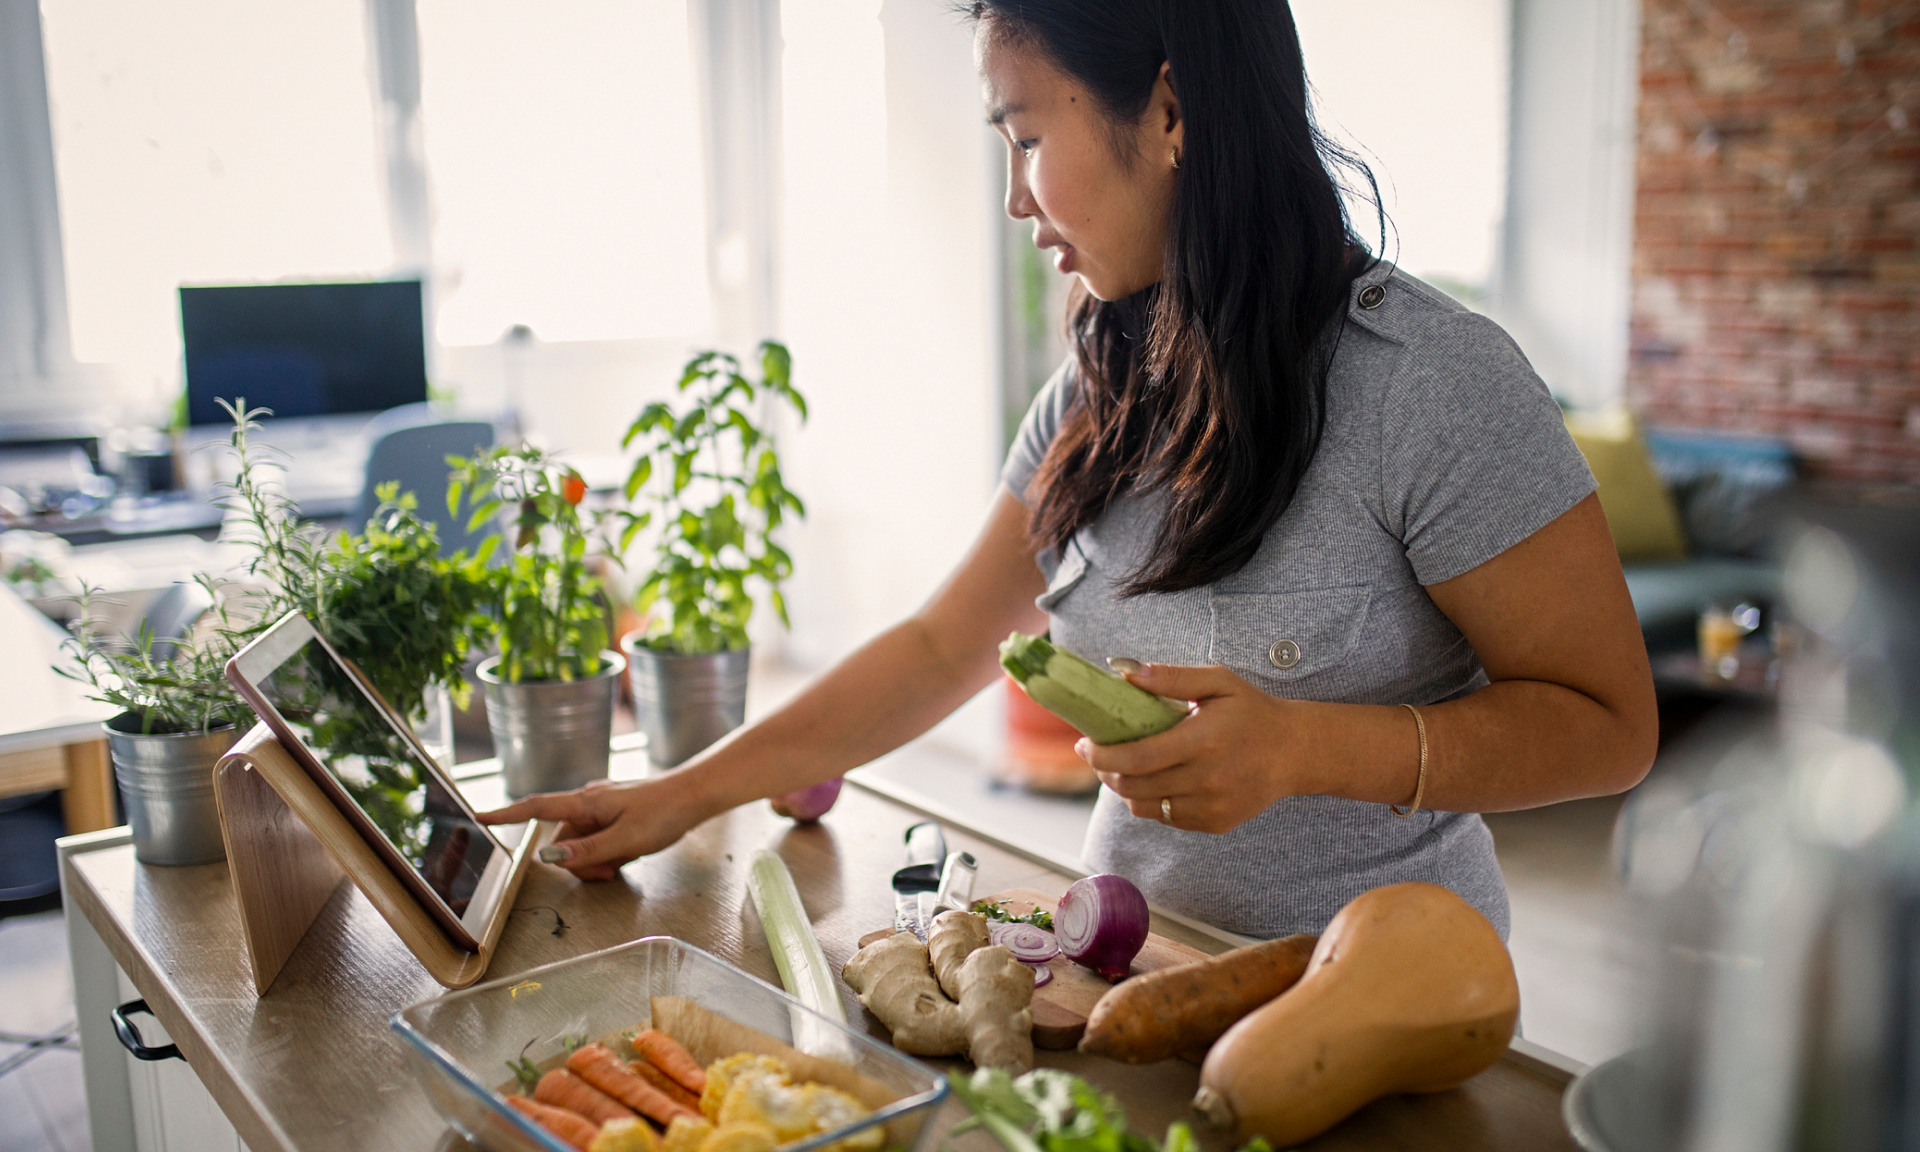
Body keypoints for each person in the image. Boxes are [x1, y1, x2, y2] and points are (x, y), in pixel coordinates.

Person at [480, 0, 1657, 940]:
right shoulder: (1104, 382)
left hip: (1384, 1014)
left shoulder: (1435, 384)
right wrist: (679, 792)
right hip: (1123, 974)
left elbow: (1611, 726)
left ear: (1171, 111)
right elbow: (944, 646)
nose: (1012, 199)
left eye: (1028, 138)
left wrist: (1308, 747)